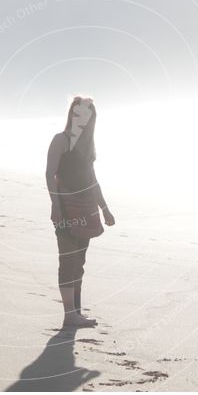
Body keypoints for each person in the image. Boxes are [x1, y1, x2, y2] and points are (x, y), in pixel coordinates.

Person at [46, 96, 115, 328]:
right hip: (66, 209)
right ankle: (69, 315)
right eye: (78, 113)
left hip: (87, 210)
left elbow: (93, 181)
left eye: (87, 115)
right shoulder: (61, 140)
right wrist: (55, 205)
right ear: (72, 115)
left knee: (79, 263)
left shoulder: (87, 148)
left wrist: (105, 208)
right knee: (68, 261)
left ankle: (75, 312)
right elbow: (49, 174)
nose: (82, 119)